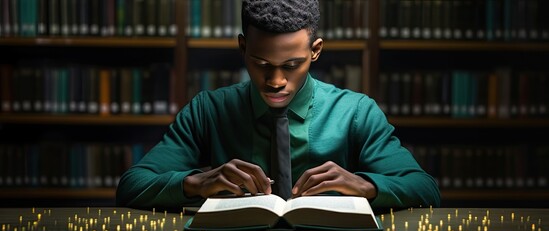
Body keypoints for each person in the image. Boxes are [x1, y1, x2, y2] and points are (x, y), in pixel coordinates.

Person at [116, 0, 440, 209]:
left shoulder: (356, 112)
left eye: (291, 65)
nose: (275, 81)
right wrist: (196, 182)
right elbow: (132, 186)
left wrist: (367, 185)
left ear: (316, 51)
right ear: (242, 48)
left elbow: (425, 190)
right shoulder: (208, 110)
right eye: (261, 63)